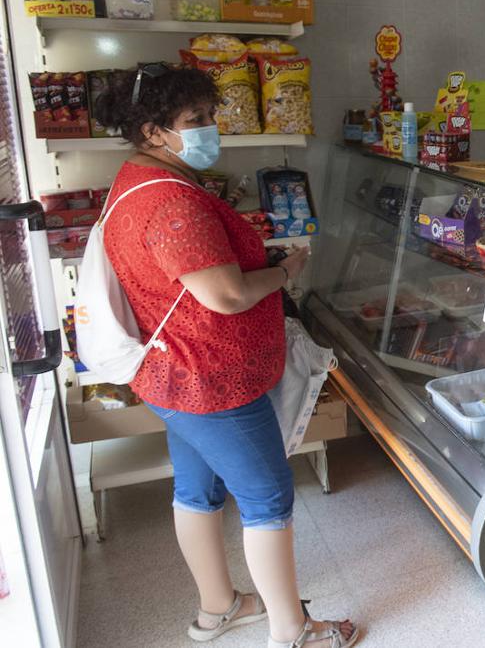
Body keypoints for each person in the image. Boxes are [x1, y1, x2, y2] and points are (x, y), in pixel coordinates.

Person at [93, 63, 359, 648]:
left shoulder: (136, 179)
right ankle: (292, 631)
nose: (211, 128)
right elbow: (226, 293)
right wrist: (283, 271)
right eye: (196, 120)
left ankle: (218, 609)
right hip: (214, 380)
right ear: (153, 131)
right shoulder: (172, 203)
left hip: (172, 375)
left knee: (196, 492)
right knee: (267, 498)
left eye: (210, 116)